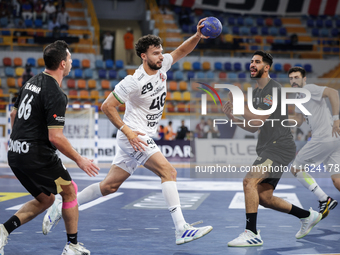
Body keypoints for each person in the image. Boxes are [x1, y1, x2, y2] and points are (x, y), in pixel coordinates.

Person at [43, 19, 213, 245]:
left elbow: (182, 50)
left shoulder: (163, 66)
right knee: (169, 172)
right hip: (134, 137)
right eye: (155, 53)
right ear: (143, 56)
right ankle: (181, 228)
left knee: (109, 186)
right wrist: (128, 131)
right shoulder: (133, 81)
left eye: (161, 52)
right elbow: (106, 106)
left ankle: (64, 202)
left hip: (139, 137)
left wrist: (198, 36)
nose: (161, 56)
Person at [0, 40, 99, 255]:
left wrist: (18, 138)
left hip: (15, 154)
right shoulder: (55, 93)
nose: (72, 61)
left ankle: (3, 231)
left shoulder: (30, 82)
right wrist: (80, 159)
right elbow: (56, 137)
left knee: (46, 199)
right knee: (70, 191)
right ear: (62, 64)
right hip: (37, 156)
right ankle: (72, 246)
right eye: (70, 58)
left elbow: (14, 115)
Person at [223, 51, 322, 247]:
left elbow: (259, 119)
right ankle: (307, 216)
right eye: (251, 61)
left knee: (248, 182)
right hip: (271, 147)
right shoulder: (258, 93)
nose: (252, 64)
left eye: (257, 62)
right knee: (264, 198)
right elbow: (253, 126)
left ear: (266, 67)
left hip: (279, 147)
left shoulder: (273, 89)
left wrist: (239, 106)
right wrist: (233, 118)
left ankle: (251, 233)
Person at [288, 66, 340, 219]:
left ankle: (325, 199)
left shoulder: (309, 89)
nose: (293, 81)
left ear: (304, 79)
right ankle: (325, 199)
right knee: (337, 180)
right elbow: (298, 121)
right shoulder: (299, 97)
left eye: (296, 77)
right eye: (291, 78)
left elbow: (333, 92)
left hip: (324, 137)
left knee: (296, 168)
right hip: (333, 139)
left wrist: (337, 119)